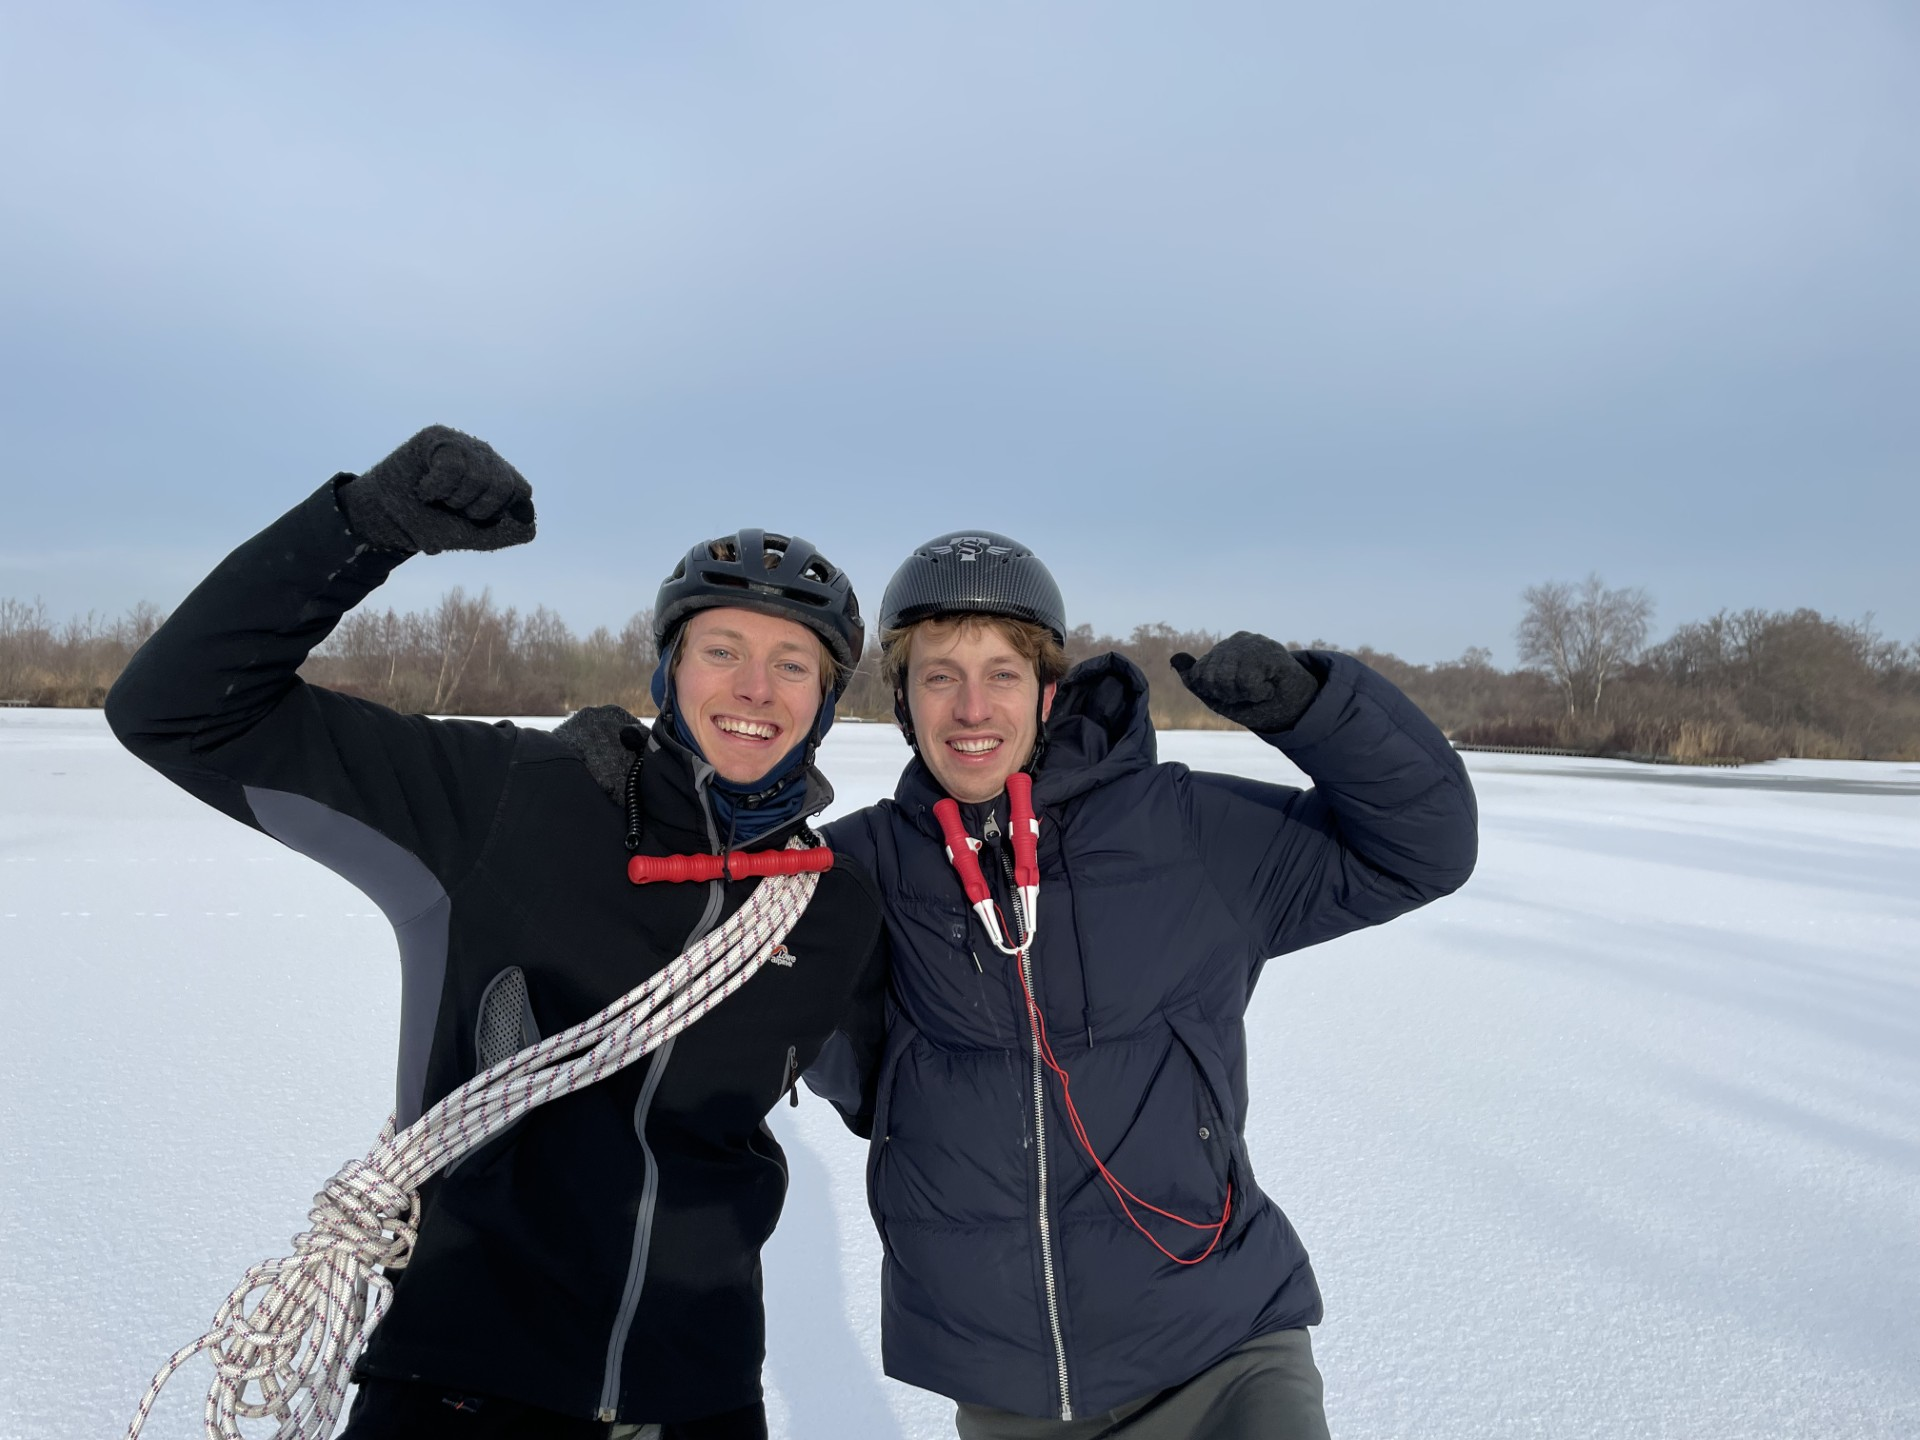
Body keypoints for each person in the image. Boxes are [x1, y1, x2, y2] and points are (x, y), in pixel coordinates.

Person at [105, 426, 888, 1440]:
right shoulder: (504, 802)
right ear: (667, 671)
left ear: (824, 704)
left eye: (793, 665)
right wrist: (362, 527)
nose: (753, 689)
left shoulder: (833, 908)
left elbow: (920, 1080)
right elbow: (175, 713)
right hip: (463, 1390)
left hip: (701, 1401)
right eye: (722, 650)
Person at [813, 531, 1479, 1438]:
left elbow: (1424, 847)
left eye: (1002, 673)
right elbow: (696, 938)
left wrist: (1314, 711)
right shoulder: (861, 867)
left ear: (1048, 692)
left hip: (1222, 1354)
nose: (972, 706)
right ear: (902, 700)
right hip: (1015, 1398)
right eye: (939, 676)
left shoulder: (1182, 830)